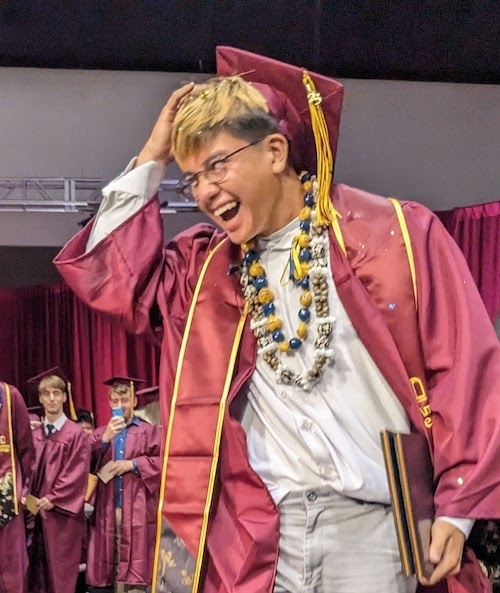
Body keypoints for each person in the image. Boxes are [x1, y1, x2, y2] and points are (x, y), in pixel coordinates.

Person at [54, 46, 500, 593]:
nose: (204, 191)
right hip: (256, 535)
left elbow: (466, 370)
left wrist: (458, 508)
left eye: (216, 165)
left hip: (375, 529)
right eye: (191, 179)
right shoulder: (203, 272)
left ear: (274, 150)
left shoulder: (393, 236)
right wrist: (153, 156)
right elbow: (110, 275)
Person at [86, 377, 161, 593]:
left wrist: (134, 464)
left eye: (125, 400)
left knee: (136, 561)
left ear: (134, 401)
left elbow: (165, 460)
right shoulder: (100, 433)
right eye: (116, 400)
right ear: (109, 403)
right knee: (110, 559)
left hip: (137, 507)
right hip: (107, 508)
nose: (120, 405)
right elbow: (83, 462)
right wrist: (106, 439)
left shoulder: (149, 431)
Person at [27, 368, 91, 593]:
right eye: (46, 394)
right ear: (41, 398)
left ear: (65, 397)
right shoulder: (34, 436)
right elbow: (27, 472)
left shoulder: (76, 434)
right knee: (35, 571)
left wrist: (53, 498)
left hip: (61, 518)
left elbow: (77, 472)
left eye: (56, 393)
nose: (51, 398)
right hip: (35, 516)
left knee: (60, 572)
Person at [0, 380, 34, 593]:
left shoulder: (10, 396)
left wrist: (24, 488)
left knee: (11, 565)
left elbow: (26, 449)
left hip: (7, 494)